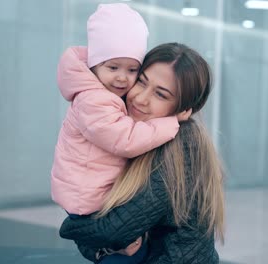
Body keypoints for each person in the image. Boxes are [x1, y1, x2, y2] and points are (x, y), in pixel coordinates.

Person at [59, 43, 226, 264]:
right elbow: (103, 229)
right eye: (141, 81)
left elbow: (111, 231)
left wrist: (71, 227)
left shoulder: (183, 147)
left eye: (161, 94)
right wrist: (103, 251)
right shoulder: (130, 132)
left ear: (184, 108)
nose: (140, 98)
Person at [50, 4, 189, 264]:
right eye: (113, 68)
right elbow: (124, 140)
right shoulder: (93, 100)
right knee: (125, 255)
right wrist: (170, 123)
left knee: (132, 251)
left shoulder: (105, 95)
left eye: (132, 69)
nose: (123, 78)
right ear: (95, 64)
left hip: (93, 193)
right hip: (88, 198)